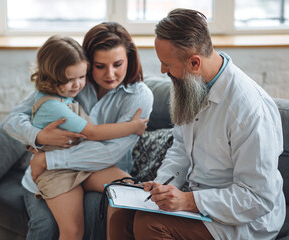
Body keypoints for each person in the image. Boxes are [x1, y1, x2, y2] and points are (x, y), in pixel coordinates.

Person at [109, 8, 285, 240]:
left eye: (167, 64)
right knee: (121, 217)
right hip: (202, 204)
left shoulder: (249, 109)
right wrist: (161, 186)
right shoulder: (191, 88)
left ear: (194, 62)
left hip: (246, 220)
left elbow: (257, 198)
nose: (163, 71)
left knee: (150, 224)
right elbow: (180, 148)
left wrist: (189, 201)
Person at [3, 22, 154, 240]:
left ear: (130, 59)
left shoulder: (139, 96)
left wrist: (48, 160)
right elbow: (13, 119)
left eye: (118, 64)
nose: (110, 74)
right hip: (55, 174)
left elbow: (109, 154)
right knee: (50, 225)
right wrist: (39, 136)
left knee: (129, 191)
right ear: (87, 62)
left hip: (94, 167)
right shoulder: (67, 80)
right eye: (100, 66)